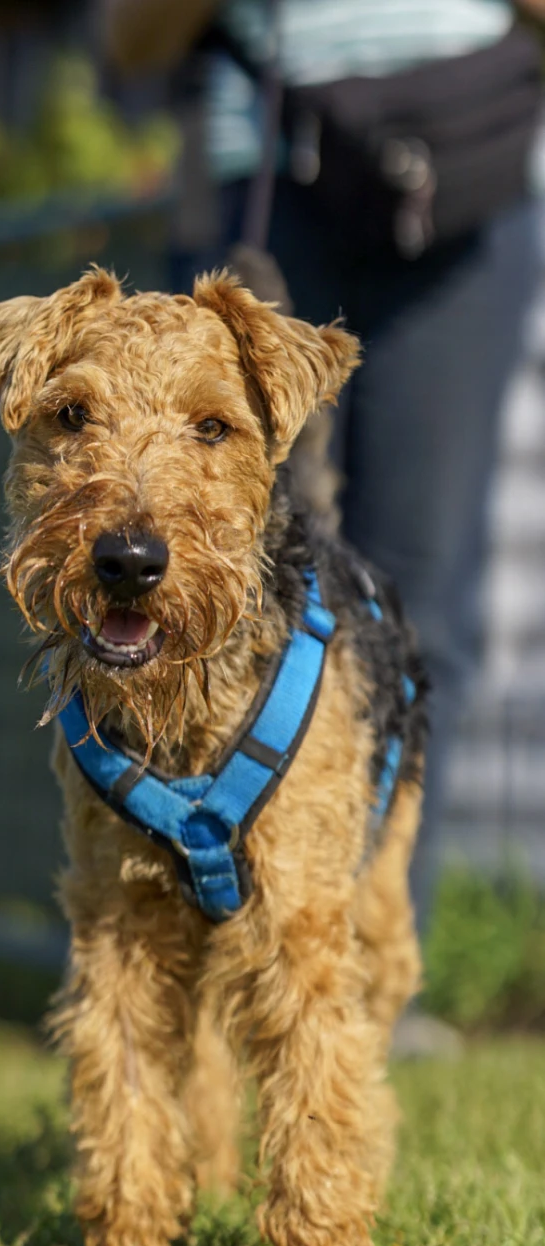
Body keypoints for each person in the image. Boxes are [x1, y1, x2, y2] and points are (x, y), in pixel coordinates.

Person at [103, 1, 545, 1052]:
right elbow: (129, 38)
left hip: (465, 175)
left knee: (419, 607)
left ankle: (366, 980)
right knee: (201, 583)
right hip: (262, 165)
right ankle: (184, 981)